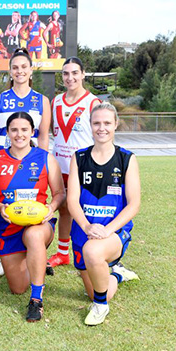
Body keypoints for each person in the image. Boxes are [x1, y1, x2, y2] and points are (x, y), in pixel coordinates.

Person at [0, 112, 65, 322]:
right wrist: (0, 207)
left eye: (24, 130)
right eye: (14, 130)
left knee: (34, 236)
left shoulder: (44, 157)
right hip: (8, 227)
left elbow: (60, 193)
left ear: (32, 132)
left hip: (38, 225)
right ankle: (37, 260)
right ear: (7, 133)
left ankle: (36, 300)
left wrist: (50, 208)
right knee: (17, 288)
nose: (19, 134)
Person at [67, 103, 141, 326]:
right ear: (90, 125)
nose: (102, 128)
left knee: (93, 252)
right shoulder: (79, 158)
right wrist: (87, 226)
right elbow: (72, 200)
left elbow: (134, 204)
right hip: (84, 233)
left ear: (116, 124)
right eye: (97, 123)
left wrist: (108, 230)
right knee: (98, 290)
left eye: (107, 123)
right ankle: (116, 274)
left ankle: (101, 307)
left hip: (114, 234)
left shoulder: (126, 159)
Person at [0, 47, 51, 276]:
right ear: (10, 71)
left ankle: (35, 250)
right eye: (15, 67)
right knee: (1, 208)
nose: (19, 71)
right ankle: (0, 256)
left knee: (32, 204)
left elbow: (42, 136)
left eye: (24, 67)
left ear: (31, 70)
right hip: (3, 155)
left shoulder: (42, 100)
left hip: (30, 158)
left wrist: (42, 163)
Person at [47, 57, 100, 269]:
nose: (70, 78)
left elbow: (100, 135)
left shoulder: (93, 102)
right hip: (60, 165)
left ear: (83, 74)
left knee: (86, 209)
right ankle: (62, 253)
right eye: (66, 74)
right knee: (64, 209)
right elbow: (54, 132)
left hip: (84, 167)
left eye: (75, 73)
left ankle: (92, 251)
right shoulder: (56, 101)